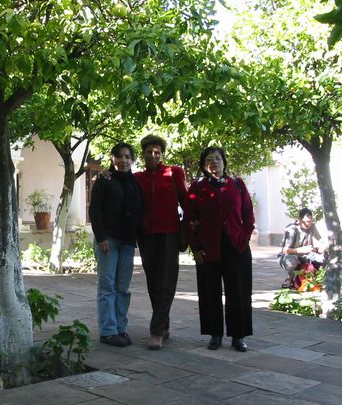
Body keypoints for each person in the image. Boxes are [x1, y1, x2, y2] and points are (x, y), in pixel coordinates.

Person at [183, 147, 255, 352]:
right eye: (209, 159)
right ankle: (215, 334)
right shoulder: (197, 188)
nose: (214, 162)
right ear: (204, 165)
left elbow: (248, 215)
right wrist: (195, 247)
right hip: (208, 248)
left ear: (224, 162)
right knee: (209, 292)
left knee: (238, 292)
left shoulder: (237, 185)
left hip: (236, 247)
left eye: (217, 158)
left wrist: (244, 238)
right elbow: (188, 220)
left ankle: (238, 335)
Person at [135, 135, 187, 350]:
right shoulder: (137, 178)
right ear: (143, 154)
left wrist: (191, 228)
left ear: (162, 154)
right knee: (153, 282)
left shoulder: (174, 172)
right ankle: (163, 327)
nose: (153, 156)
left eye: (157, 152)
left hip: (169, 233)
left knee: (166, 282)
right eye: (149, 152)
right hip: (146, 235)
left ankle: (156, 332)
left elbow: (186, 200)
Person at [89, 142, 143, 347]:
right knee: (107, 286)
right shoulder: (104, 180)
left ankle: (121, 327)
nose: (124, 160)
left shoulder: (134, 182)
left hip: (127, 242)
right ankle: (108, 331)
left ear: (132, 160)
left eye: (128, 156)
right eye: (119, 156)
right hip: (108, 241)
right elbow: (95, 211)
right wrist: (101, 238)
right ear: (112, 158)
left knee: (123, 288)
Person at [278, 208, 327, 289]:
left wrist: (322, 248)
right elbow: (285, 250)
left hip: (306, 256)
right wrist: (301, 250)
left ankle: (315, 279)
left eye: (310, 221)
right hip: (289, 256)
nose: (309, 224)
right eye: (307, 222)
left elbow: (318, 243)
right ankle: (290, 278)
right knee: (291, 262)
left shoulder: (312, 226)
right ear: (300, 220)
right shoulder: (291, 229)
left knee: (323, 257)